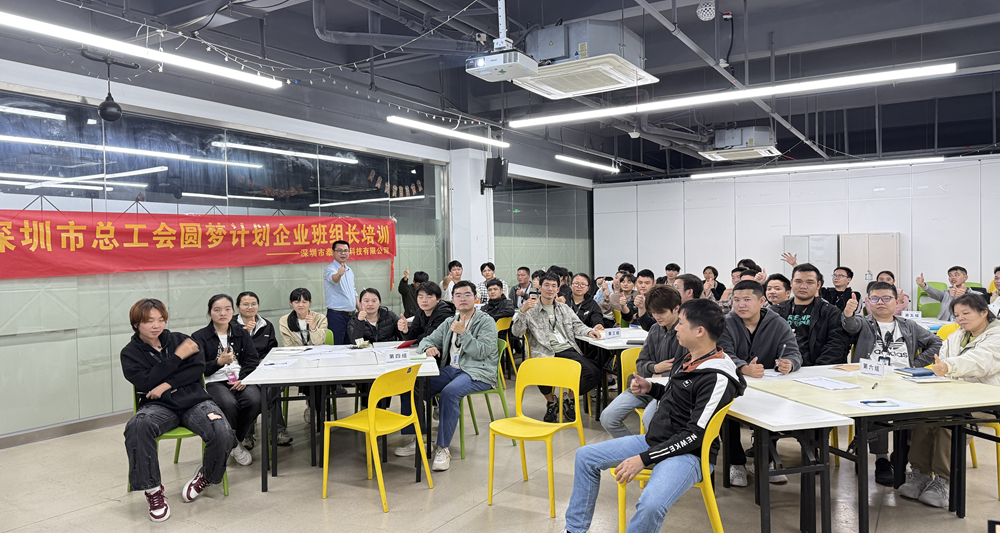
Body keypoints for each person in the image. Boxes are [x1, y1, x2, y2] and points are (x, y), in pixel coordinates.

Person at [562, 298, 746, 533]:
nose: (676, 328)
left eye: (681, 323)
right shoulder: (689, 357)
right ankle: (574, 529)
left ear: (699, 331)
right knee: (585, 457)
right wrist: (651, 388)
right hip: (657, 440)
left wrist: (644, 458)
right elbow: (678, 395)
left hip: (690, 455)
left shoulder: (717, 377)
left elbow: (695, 435)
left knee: (650, 505)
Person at [122, 298, 234, 522]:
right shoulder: (130, 353)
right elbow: (146, 382)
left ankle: (207, 476)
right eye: (149, 321)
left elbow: (197, 369)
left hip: (194, 401)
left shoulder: (180, 339)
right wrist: (177, 357)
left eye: (161, 319)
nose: (156, 325)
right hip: (158, 407)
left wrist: (166, 384)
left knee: (221, 428)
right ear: (136, 324)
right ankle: (153, 491)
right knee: (137, 426)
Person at [898, 294, 1000, 508]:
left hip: (987, 399)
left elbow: (980, 362)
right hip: (954, 395)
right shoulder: (956, 335)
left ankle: (943, 481)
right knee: (924, 416)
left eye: (966, 313)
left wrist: (949, 367)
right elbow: (942, 361)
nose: (961, 318)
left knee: (949, 421)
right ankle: (920, 473)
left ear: (984, 313)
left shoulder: (997, 335)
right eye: (957, 315)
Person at [843, 281, 942, 486]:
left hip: (904, 380)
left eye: (886, 298)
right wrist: (848, 313)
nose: (880, 302)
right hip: (871, 381)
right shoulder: (864, 322)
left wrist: (916, 364)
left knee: (921, 411)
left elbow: (937, 342)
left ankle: (903, 453)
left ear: (897, 302)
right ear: (868, 302)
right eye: (875, 298)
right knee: (875, 411)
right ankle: (881, 459)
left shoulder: (908, 325)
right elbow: (850, 326)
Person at [394, 281, 499, 472]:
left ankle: (443, 447)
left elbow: (482, 352)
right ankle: (422, 437)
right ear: (453, 299)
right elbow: (426, 340)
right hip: (451, 369)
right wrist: (429, 347)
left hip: (477, 371)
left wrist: (464, 334)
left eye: (467, 294)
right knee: (410, 385)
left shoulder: (486, 321)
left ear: (475, 298)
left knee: (449, 393)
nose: (462, 298)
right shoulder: (450, 321)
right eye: (458, 295)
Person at [718, 280, 803, 487]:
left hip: (767, 386)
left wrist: (789, 363)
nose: (741, 305)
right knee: (724, 413)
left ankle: (765, 460)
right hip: (732, 385)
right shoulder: (726, 323)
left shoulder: (777, 323)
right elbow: (722, 353)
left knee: (775, 408)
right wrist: (742, 367)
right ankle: (736, 463)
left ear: (762, 300)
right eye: (736, 300)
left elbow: (793, 352)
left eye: (747, 299)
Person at [511, 273, 604, 423]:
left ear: (558, 289)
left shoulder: (564, 308)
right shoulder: (530, 308)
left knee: (593, 373)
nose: (550, 289)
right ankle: (551, 402)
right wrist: (522, 312)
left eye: (554, 286)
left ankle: (569, 399)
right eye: (546, 285)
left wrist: (589, 331)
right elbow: (516, 332)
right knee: (540, 369)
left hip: (566, 349)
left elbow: (577, 325)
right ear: (539, 288)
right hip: (543, 351)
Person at [601, 285, 685, 439]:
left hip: (670, 391)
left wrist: (662, 375)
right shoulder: (654, 329)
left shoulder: (686, 333)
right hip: (645, 386)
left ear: (676, 308)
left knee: (650, 420)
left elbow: (686, 369)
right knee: (608, 417)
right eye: (653, 312)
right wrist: (655, 368)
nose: (657, 316)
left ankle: (653, 451)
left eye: (661, 312)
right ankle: (636, 450)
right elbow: (641, 362)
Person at [192, 294, 261, 467]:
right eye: (217, 310)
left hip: (240, 378)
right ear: (210, 312)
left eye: (227, 309)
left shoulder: (241, 333)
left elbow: (252, 359)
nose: (223, 313)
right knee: (228, 403)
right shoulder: (199, 337)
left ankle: (232, 440)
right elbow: (197, 368)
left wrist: (244, 378)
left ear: (232, 311)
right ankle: (234, 445)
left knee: (255, 400)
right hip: (214, 381)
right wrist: (219, 362)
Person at [234, 291, 291, 447]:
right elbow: (229, 350)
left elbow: (272, 349)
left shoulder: (266, 325)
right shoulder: (231, 326)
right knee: (250, 395)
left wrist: (264, 360)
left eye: (253, 304)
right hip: (240, 371)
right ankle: (247, 435)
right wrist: (244, 332)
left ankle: (277, 432)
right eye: (245, 304)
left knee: (272, 388)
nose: (250, 307)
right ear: (238, 307)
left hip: (262, 368)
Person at [771, 263, 850, 366]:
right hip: (780, 368)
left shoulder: (830, 312)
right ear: (791, 283)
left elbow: (836, 345)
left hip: (816, 369)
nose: (803, 286)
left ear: (818, 285)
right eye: (798, 281)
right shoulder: (775, 312)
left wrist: (816, 369)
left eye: (810, 282)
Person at [279, 288, 328, 423]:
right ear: (291, 303)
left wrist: (313, 326)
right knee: (307, 373)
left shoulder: (320, 318)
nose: (300, 305)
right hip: (298, 360)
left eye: (304, 301)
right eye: (297, 301)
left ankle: (318, 406)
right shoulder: (284, 320)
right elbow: (288, 347)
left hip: (318, 359)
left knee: (320, 375)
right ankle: (314, 406)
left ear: (310, 303)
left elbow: (319, 342)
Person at [324, 240, 359, 345]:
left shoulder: (349, 270)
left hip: (352, 316)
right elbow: (334, 279)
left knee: (351, 346)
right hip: (336, 316)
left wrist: (361, 309)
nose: (343, 253)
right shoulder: (329, 268)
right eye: (339, 250)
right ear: (333, 252)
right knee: (336, 348)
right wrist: (339, 274)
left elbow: (353, 292)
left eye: (345, 250)